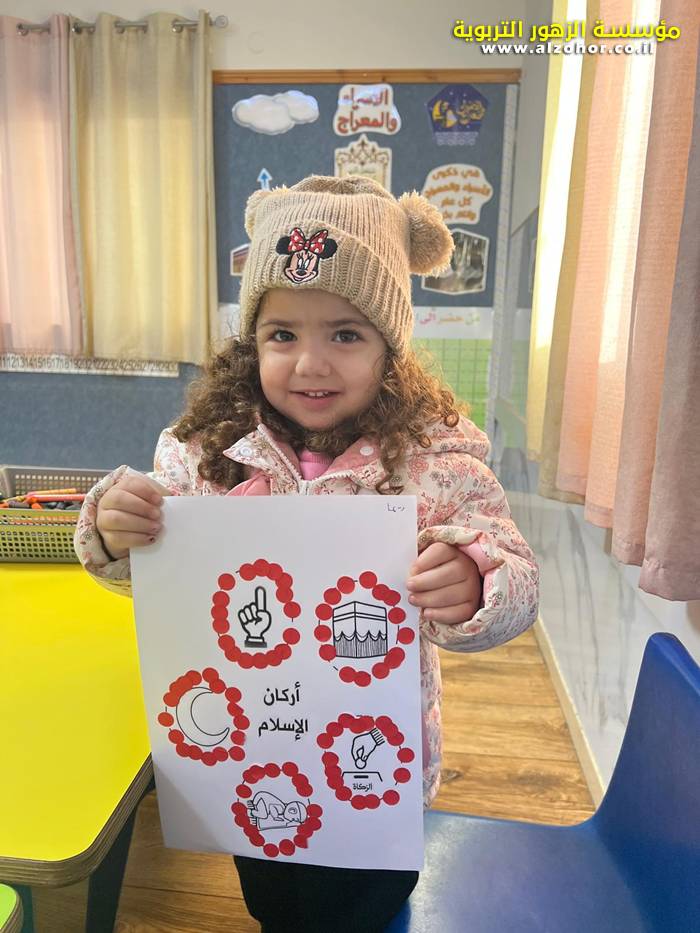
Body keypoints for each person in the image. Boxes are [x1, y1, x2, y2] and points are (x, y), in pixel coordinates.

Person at [74, 174, 539, 932]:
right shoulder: (206, 451)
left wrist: (477, 578)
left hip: (373, 760)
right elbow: (155, 574)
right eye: (282, 334)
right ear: (251, 342)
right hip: (252, 748)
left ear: (391, 348)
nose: (310, 363)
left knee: (364, 907)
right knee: (274, 901)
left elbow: (517, 576)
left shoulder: (438, 463)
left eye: (345, 335)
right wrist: (115, 529)